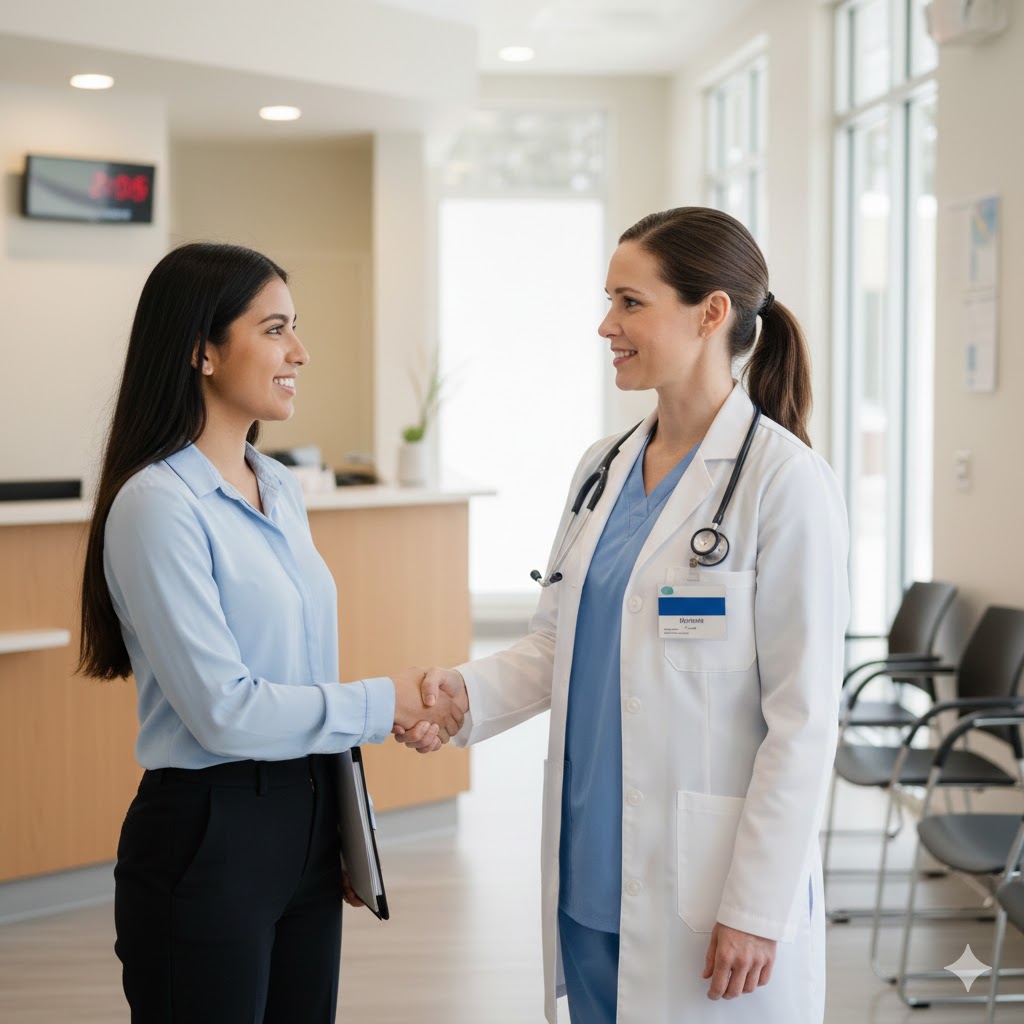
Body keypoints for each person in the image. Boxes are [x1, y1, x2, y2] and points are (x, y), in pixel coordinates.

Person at [396, 207, 850, 1023]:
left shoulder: (786, 484)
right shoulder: (600, 469)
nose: (607, 325)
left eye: (630, 303)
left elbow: (805, 721)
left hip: (706, 890)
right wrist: (462, 693)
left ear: (711, 313)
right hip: (590, 868)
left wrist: (755, 903)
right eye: (610, 302)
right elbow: (556, 641)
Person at [78, 242, 458, 1023]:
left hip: (307, 815)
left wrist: (339, 826)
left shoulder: (277, 485)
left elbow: (303, 669)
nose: (300, 353)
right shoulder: (158, 506)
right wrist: (384, 702)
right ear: (202, 350)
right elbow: (225, 711)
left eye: (296, 329)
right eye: (276, 329)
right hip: (209, 830)